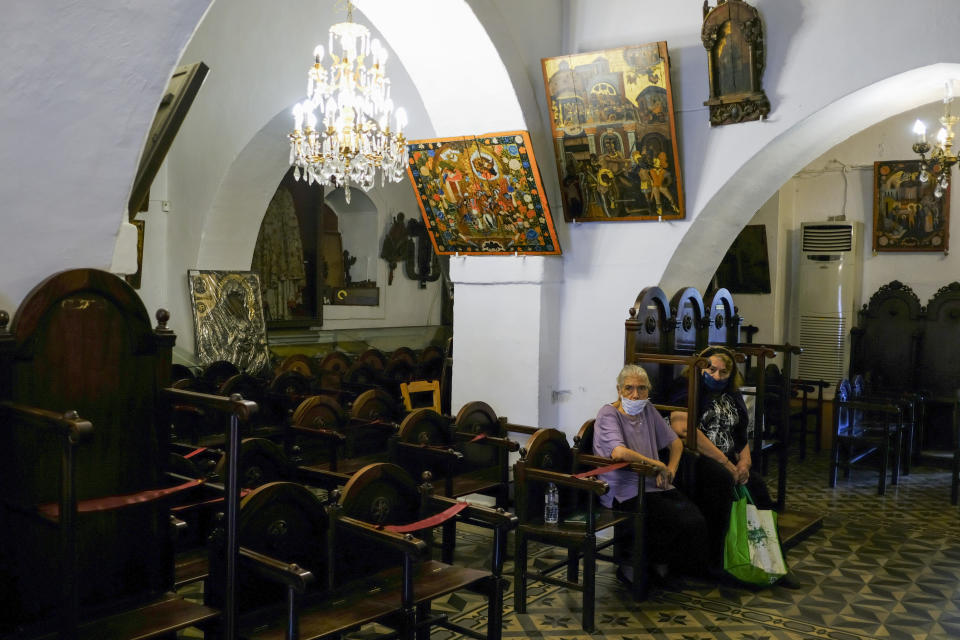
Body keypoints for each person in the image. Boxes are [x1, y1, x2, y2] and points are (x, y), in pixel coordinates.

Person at [593, 364, 709, 586]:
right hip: (623, 489)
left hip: (653, 485)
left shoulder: (647, 409)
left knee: (693, 519)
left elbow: (675, 442)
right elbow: (619, 452)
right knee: (670, 518)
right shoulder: (609, 414)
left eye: (642, 389)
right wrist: (656, 464)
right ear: (619, 390)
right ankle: (632, 568)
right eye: (629, 388)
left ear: (649, 390)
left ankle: (662, 564)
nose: (635, 395)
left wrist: (671, 469)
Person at [669, 345, 776, 572]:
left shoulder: (731, 394)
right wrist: (727, 464)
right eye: (711, 369)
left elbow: (740, 433)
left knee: (757, 485)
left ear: (731, 375)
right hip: (696, 458)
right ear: (700, 368)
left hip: (728, 459)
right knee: (721, 481)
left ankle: (768, 557)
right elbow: (684, 429)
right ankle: (717, 561)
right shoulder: (686, 388)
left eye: (723, 372)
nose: (716, 376)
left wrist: (744, 464)